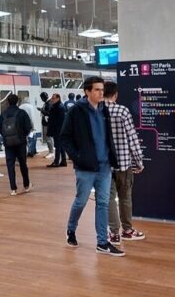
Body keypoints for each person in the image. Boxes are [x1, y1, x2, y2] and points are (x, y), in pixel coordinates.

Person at [60, 76, 124, 257]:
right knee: (81, 201)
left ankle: (102, 242)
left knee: (103, 203)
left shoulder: (105, 109)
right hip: (85, 167)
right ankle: (71, 229)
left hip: (104, 166)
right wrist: (77, 157)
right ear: (87, 91)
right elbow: (65, 137)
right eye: (97, 90)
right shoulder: (76, 111)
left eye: (102, 90)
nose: (101, 93)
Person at [103, 81, 145, 245]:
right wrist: (138, 161)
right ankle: (127, 231)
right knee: (125, 198)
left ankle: (113, 234)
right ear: (116, 94)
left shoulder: (96, 111)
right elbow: (132, 139)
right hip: (123, 163)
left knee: (109, 199)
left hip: (104, 165)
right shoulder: (122, 111)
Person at [0, 94, 33, 196]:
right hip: (20, 143)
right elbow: (28, 127)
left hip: (8, 144)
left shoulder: (3, 114)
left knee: (10, 165)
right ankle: (26, 185)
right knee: (23, 164)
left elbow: (0, 129)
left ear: (8, 102)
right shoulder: (21, 113)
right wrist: (23, 136)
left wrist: (7, 137)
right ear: (17, 102)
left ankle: (13, 189)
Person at [47, 93, 67, 167]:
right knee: (60, 146)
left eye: (53, 98)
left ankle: (56, 162)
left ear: (58, 98)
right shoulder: (57, 106)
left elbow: (60, 120)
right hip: (58, 129)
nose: (52, 99)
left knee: (58, 145)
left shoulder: (60, 107)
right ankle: (63, 161)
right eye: (52, 98)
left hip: (58, 129)